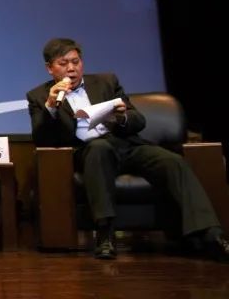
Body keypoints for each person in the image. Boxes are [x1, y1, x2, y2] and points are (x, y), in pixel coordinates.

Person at [27, 37, 229, 261]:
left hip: (125, 145)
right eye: (63, 63)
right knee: (99, 148)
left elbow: (138, 120)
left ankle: (211, 235)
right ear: (50, 68)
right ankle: (105, 234)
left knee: (173, 162)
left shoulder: (105, 82)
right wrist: (51, 107)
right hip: (88, 152)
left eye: (76, 61)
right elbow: (42, 139)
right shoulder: (39, 96)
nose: (71, 68)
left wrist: (121, 117)